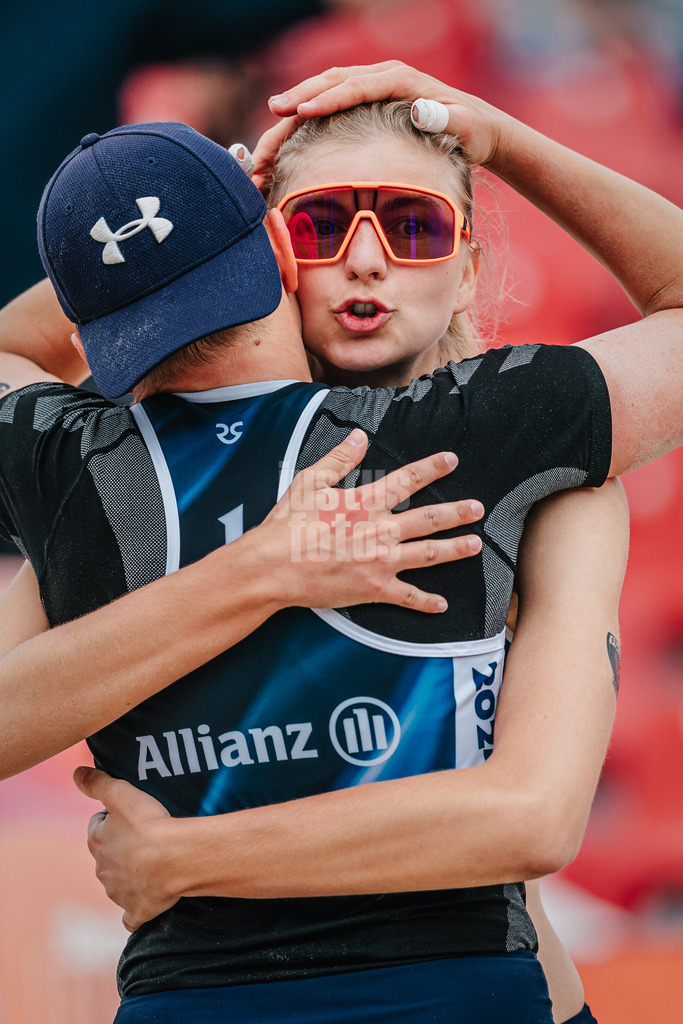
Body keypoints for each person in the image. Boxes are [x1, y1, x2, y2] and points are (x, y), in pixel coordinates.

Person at [0, 56, 680, 1017]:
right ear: (274, 251)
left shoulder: (533, 451)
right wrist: (188, 229)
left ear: (471, 263)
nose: (365, 257)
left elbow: (531, 818)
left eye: (412, 226)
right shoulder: (115, 469)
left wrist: (182, 860)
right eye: (321, 226)